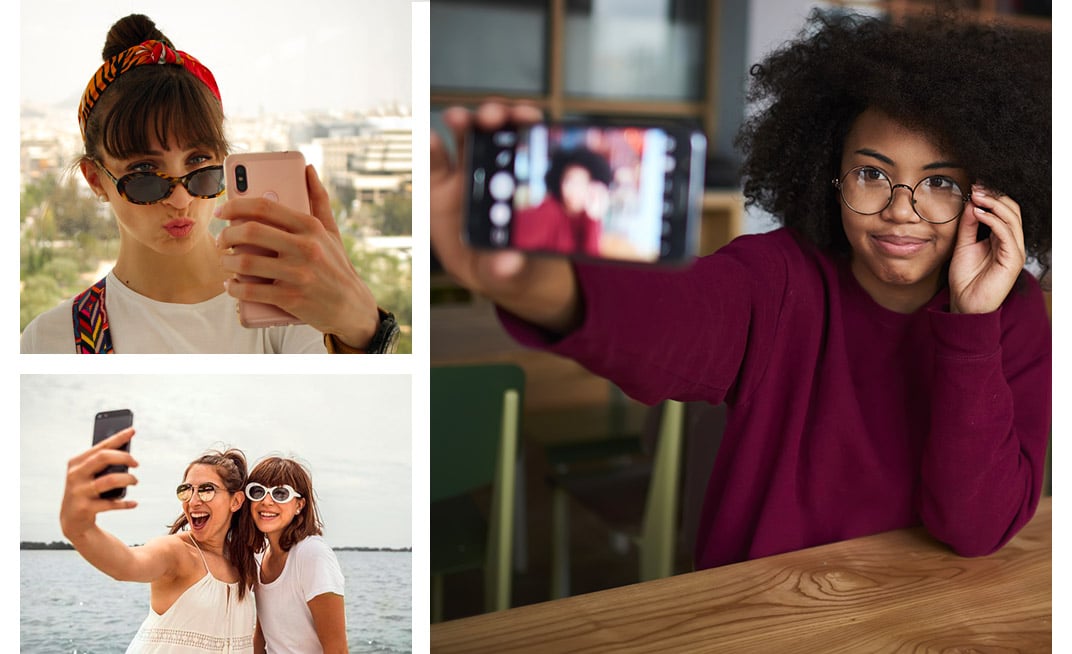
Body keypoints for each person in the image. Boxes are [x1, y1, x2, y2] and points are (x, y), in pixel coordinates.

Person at [430, 11, 1051, 569]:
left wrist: (973, 328)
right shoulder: (777, 280)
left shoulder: (1011, 312)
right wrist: (534, 281)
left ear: (987, 195)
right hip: (756, 618)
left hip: (919, 619)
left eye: (940, 183)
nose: (901, 211)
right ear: (829, 175)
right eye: (871, 174)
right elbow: (668, 319)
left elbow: (976, 528)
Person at [20, 13, 399, 353]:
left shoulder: (283, 302)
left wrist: (362, 325)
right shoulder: (54, 340)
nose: (181, 199)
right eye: (146, 176)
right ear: (95, 179)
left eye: (200, 165)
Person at [60, 432, 257, 652]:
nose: (193, 501)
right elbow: (127, 564)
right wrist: (79, 527)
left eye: (206, 490)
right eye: (186, 490)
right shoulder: (176, 552)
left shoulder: (244, 564)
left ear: (236, 501)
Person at [243, 456, 347, 654]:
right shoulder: (259, 557)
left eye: (280, 493)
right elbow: (262, 636)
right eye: (257, 492)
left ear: (299, 505)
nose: (266, 501)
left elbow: (337, 650)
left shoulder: (312, 554)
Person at [512, 146, 612, 256]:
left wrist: (594, 219)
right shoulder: (550, 212)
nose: (572, 189)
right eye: (568, 181)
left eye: (580, 183)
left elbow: (591, 264)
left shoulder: (587, 219)